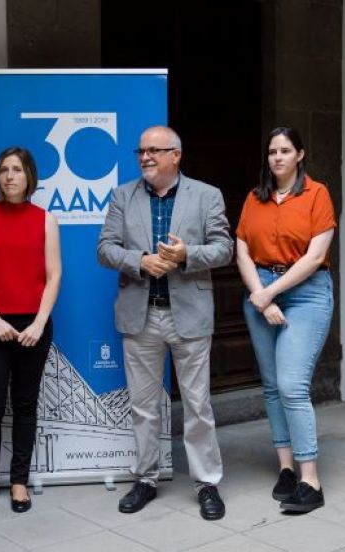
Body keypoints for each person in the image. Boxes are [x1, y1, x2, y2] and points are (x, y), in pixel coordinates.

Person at [97, 126, 233, 520]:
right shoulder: (123, 195)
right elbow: (105, 248)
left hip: (188, 315)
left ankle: (207, 483)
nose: (145, 158)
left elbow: (225, 248)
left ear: (176, 155)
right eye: (141, 151)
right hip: (141, 316)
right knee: (143, 408)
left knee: (197, 405)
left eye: (154, 151)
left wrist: (186, 254)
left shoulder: (206, 195)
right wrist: (139, 261)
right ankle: (145, 479)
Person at [235, 127, 336, 515]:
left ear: (300, 155)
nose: (277, 157)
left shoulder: (317, 194)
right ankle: (286, 470)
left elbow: (314, 257)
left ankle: (311, 479)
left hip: (306, 292)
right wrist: (262, 296)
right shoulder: (254, 198)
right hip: (260, 289)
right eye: (272, 151)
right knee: (274, 386)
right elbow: (241, 249)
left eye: (285, 150)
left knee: (293, 384)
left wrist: (269, 294)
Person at [0, 147, 61, 513]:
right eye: (3, 169)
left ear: (29, 176)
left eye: (17, 169)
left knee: (25, 405)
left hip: (33, 327)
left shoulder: (46, 220)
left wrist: (37, 323)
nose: (9, 176)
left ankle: (19, 482)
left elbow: (54, 276)